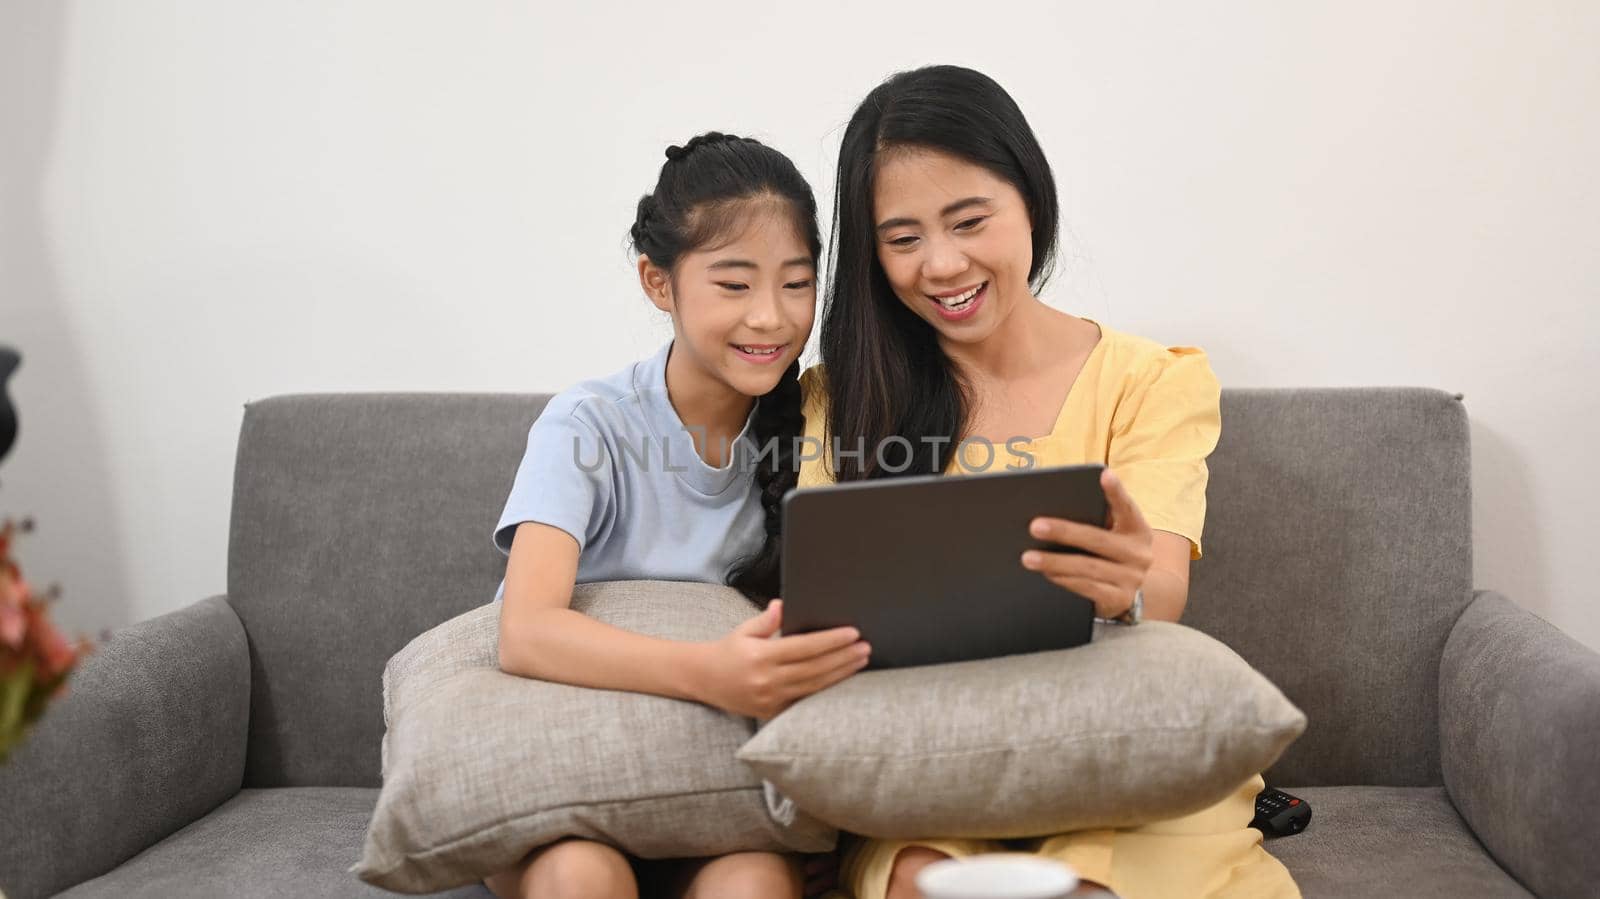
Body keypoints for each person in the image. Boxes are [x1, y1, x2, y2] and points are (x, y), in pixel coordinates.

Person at [797, 65, 1300, 899]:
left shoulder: (1150, 379)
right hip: (931, 762)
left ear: (1030, 197)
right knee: (922, 883)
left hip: (1121, 748)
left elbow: (1160, 592)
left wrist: (1123, 584)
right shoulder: (846, 397)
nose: (943, 264)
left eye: (970, 220)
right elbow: (826, 602)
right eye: (904, 237)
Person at [487, 131, 865, 899]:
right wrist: (711, 674)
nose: (771, 317)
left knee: (755, 882)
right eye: (734, 285)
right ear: (659, 284)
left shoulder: (822, 422)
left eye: (796, 284)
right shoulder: (589, 424)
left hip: (716, 789)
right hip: (563, 769)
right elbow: (525, 630)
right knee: (580, 874)